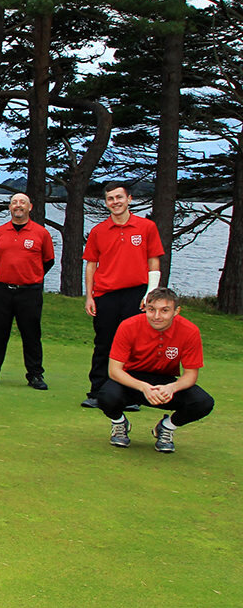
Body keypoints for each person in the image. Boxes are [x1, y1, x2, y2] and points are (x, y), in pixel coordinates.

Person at [97, 288, 214, 453]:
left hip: (165, 382)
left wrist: (171, 388)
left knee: (203, 402)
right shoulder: (128, 326)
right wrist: (144, 387)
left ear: (176, 311)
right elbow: (114, 371)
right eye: (151, 310)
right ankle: (119, 423)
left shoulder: (190, 331)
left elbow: (191, 375)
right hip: (132, 381)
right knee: (105, 396)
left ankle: (166, 427)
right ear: (145, 307)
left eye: (165, 310)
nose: (157, 316)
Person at [81, 183, 165, 408]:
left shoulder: (146, 227)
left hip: (137, 294)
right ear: (106, 202)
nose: (115, 202)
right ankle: (97, 392)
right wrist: (89, 296)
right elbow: (91, 265)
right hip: (106, 295)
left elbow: (153, 262)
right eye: (110, 198)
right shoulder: (99, 231)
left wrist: (150, 294)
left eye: (119, 197)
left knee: (134, 346)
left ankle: (131, 395)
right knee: (104, 344)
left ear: (129, 199)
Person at [0, 192, 54, 389]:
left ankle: (35, 375)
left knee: (31, 334)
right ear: (10, 207)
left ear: (30, 207)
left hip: (29, 292)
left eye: (22, 202)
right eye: (14, 202)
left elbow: (48, 261)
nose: (18, 205)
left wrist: (30, 277)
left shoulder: (41, 233)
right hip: (3, 290)